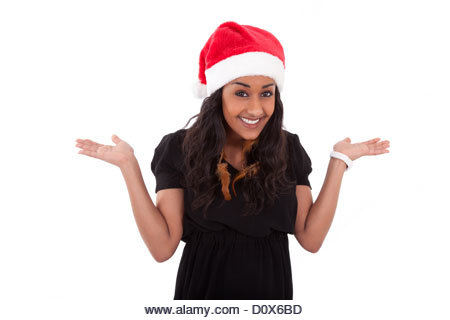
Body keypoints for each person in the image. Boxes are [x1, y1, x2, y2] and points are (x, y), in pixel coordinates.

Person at [75, 21, 390, 300]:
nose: (255, 109)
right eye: (241, 93)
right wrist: (128, 165)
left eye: (266, 94)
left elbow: (310, 238)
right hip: (202, 300)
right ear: (217, 96)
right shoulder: (179, 148)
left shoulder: (287, 148)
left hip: (269, 304)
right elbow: (162, 249)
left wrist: (339, 162)